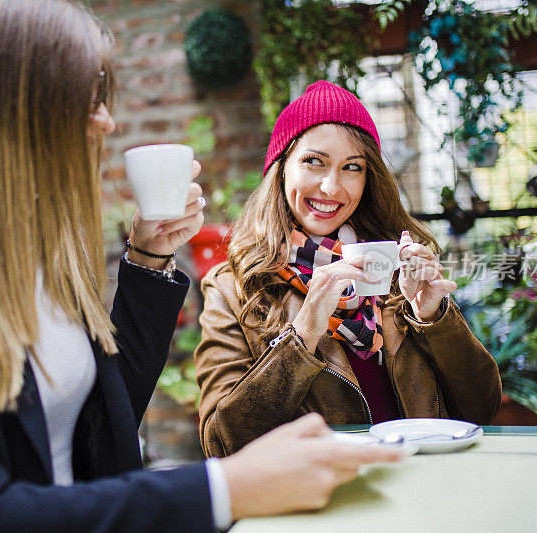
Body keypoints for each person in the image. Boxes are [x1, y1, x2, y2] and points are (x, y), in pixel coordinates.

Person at [0, 2, 404, 531]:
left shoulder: (33, 242)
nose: (106, 121)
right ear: (10, 103)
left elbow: (105, 417)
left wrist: (150, 254)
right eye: (88, 93)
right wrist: (230, 485)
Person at [194, 80, 502, 458]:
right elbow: (222, 445)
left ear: (367, 178)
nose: (331, 186)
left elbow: (481, 411)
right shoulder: (232, 289)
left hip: (419, 489)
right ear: (281, 168)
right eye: (313, 161)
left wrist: (433, 318)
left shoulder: (394, 268)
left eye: (351, 167)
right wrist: (303, 333)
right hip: (320, 504)